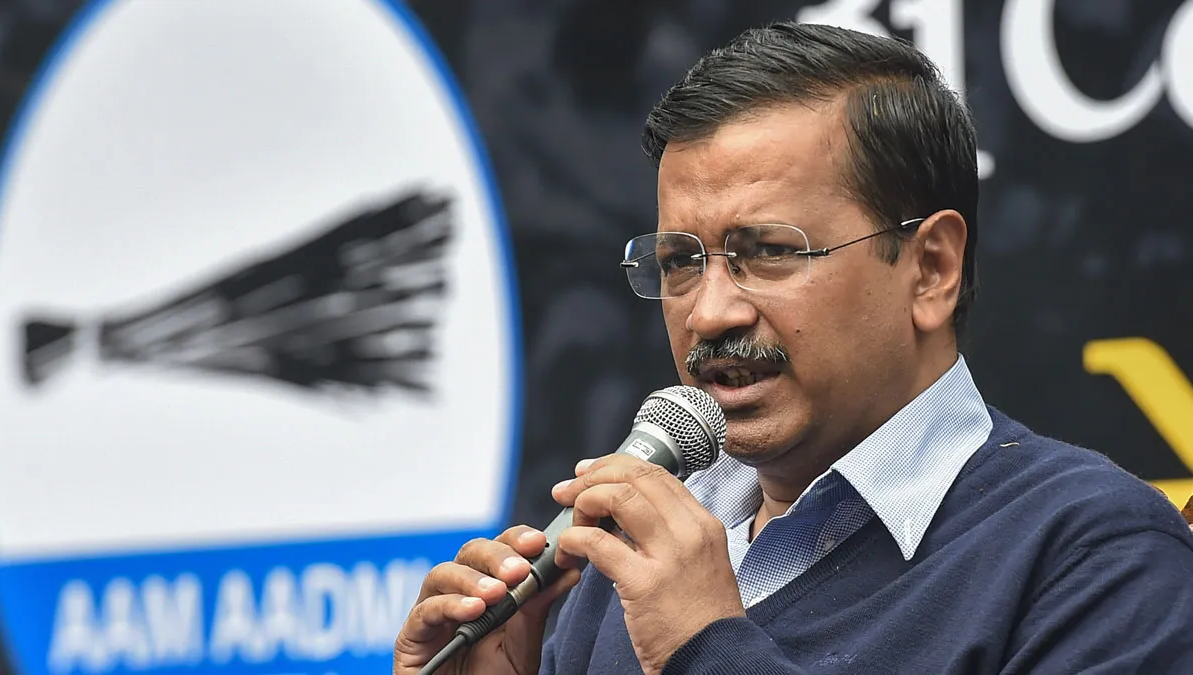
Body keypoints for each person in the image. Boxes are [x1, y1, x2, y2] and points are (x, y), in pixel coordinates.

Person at [393, 21, 1193, 675]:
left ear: (931, 268)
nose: (709, 312)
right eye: (680, 261)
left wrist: (706, 647)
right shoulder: (619, 566)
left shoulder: (1092, 554)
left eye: (769, 251)